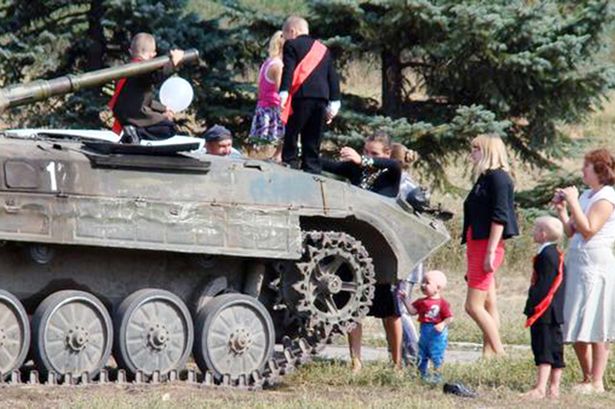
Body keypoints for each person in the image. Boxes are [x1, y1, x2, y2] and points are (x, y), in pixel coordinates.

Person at [321, 131, 402, 371]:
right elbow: (329, 165)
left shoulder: (391, 170)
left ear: (386, 153)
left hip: (381, 251)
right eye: (365, 151)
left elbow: (388, 164)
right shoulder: (356, 170)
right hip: (355, 249)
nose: (368, 156)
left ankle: (397, 364)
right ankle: (356, 361)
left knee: (389, 310)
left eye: (373, 153)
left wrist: (361, 160)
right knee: (352, 306)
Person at [553, 148, 615, 394]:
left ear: (600, 170)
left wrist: (573, 201)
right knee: (575, 318)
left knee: (597, 319)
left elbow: (589, 228)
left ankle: (597, 380)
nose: (582, 171)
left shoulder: (607, 196)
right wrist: (562, 210)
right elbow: (571, 231)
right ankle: (587, 376)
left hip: (596, 263)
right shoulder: (588, 195)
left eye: (586, 167)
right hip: (577, 259)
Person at [463, 133, 518, 358]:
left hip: (487, 245)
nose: (472, 153)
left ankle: (500, 352)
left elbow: (500, 217)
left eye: (476, 149)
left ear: (487, 151)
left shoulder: (499, 178)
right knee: (488, 302)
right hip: (477, 242)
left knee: (472, 306)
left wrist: (490, 252)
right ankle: (488, 354)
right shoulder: (485, 177)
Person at [279, 16, 341, 174]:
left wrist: (284, 92)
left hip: (301, 97)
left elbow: (289, 70)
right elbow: (332, 76)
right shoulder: (323, 49)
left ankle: (290, 163)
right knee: (313, 137)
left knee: (292, 132)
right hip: (322, 98)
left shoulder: (291, 44)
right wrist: (335, 102)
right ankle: (312, 167)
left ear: (292, 31)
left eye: (284, 35)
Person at [109, 32, 184, 143]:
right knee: (169, 128)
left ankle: (131, 135)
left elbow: (142, 99)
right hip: (135, 115)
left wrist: (163, 109)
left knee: (161, 123)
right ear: (152, 55)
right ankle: (135, 133)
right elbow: (156, 77)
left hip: (123, 115)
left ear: (131, 51)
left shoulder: (126, 69)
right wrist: (173, 63)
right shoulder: (142, 68)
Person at [522, 216, 566, 400]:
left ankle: (540, 388)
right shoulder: (555, 253)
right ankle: (554, 388)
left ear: (543, 234)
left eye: (535, 229)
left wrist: (532, 306)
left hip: (545, 311)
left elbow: (544, 285)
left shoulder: (546, 256)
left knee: (544, 349)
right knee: (555, 349)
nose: (532, 232)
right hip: (555, 311)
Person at [398, 270, 453, 383]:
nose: (423, 285)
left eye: (427, 283)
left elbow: (449, 317)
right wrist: (405, 300)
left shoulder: (442, 303)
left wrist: (442, 324)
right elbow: (412, 311)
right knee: (422, 354)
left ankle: (438, 375)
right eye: (422, 282)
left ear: (438, 288)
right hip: (424, 332)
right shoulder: (421, 302)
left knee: (436, 355)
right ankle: (422, 374)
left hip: (437, 335)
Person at [248, 31, 285, 162]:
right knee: (275, 147)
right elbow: (282, 91)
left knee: (257, 146)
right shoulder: (278, 66)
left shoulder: (268, 62)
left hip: (262, 107)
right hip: (273, 109)